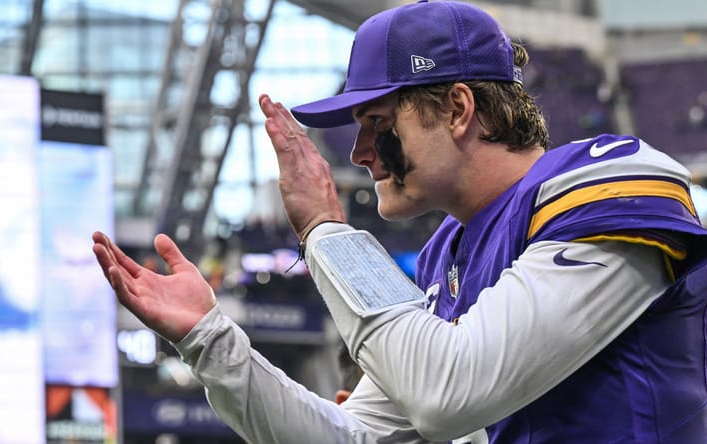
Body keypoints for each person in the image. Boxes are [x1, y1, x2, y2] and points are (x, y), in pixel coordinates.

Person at [93, 1, 707, 442]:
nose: (359, 154)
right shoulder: (448, 255)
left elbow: (449, 396)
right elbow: (355, 437)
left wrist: (326, 233)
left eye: (379, 124)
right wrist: (208, 339)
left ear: (459, 109)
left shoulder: (610, 180)